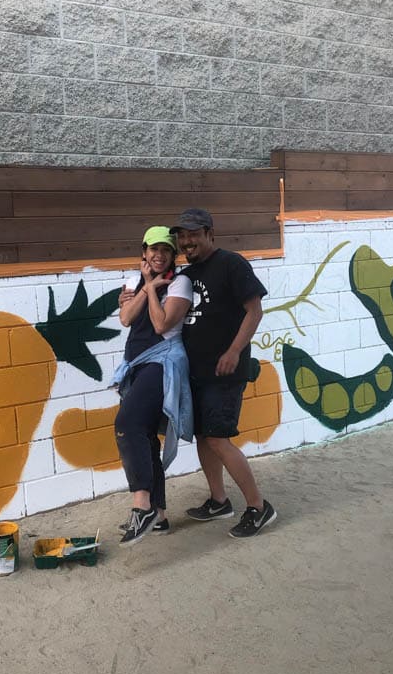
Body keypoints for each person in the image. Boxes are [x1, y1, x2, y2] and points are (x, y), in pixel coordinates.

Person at [169, 208, 277, 538]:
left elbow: (254, 310)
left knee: (218, 437)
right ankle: (219, 501)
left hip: (225, 371)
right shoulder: (188, 273)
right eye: (182, 236)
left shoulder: (232, 264)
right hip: (197, 372)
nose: (187, 241)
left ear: (210, 234)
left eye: (194, 234)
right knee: (204, 436)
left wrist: (233, 351)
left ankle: (259, 507)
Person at [111, 226, 193, 546]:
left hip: (164, 361)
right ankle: (158, 516)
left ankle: (141, 505)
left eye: (166, 250)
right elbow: (126, 318)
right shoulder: (135, 282)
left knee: (127, 424)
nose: (159, 255)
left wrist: (151, 286)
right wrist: (147, 286)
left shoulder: (180, 283)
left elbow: (161, 325)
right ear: (143, 252)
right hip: (137, 364)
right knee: (144, 436)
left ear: (174, 255)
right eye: (153, 249)